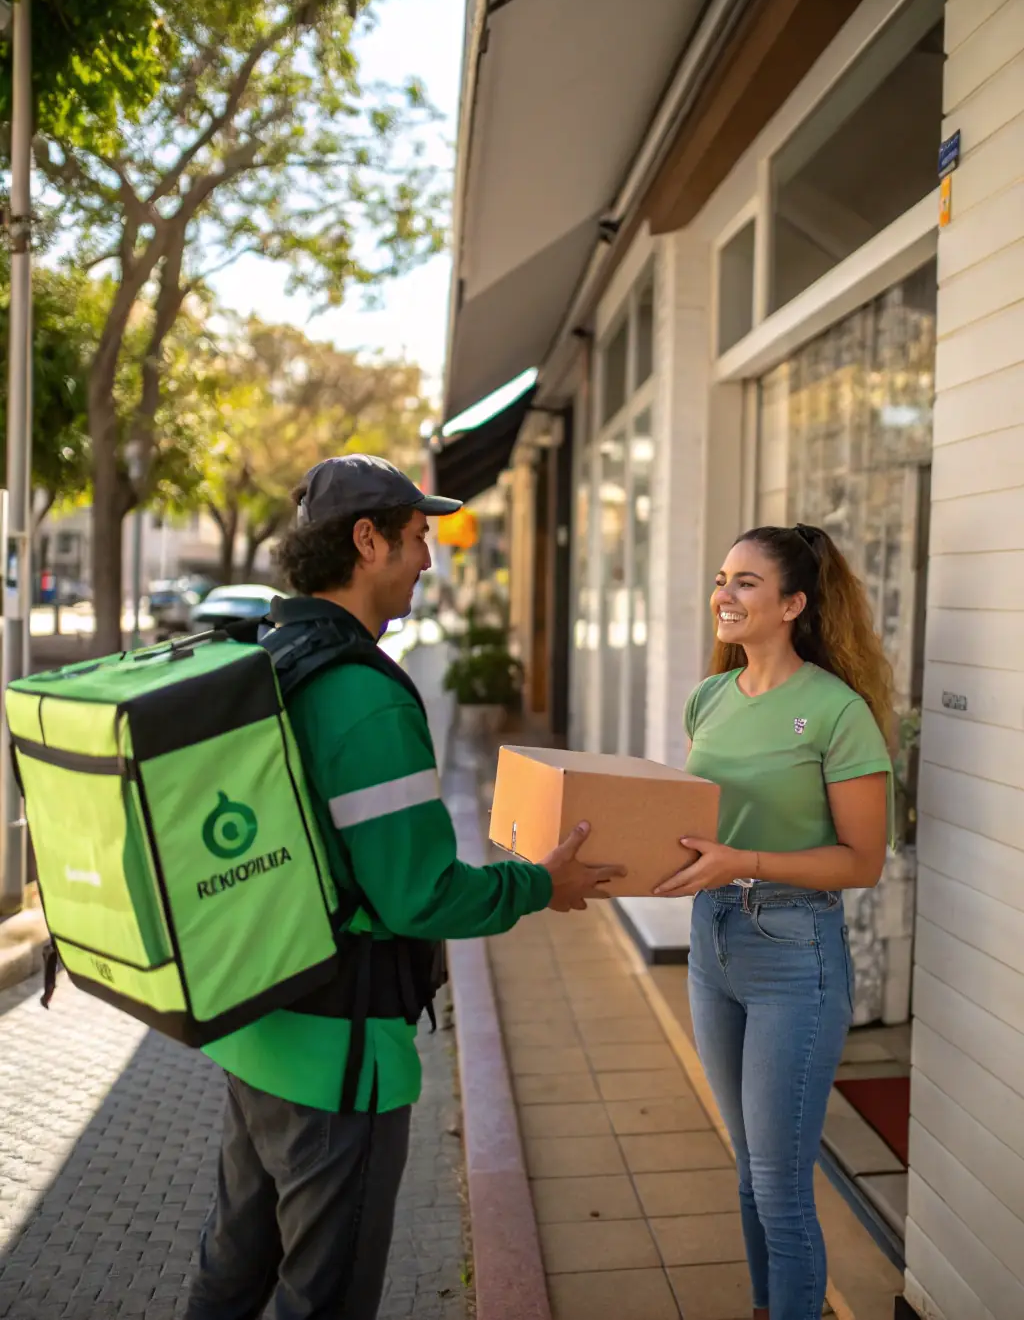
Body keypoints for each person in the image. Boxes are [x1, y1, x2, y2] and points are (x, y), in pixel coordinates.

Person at [185, 454, 621, 1320]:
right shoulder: (365, 698)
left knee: (229, 1275)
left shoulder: (273, 656)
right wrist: (540, 884)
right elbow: (418, 895)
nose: (428, 558)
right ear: (366, 539)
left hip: (256, 1027)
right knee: (326, 1298)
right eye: (419, 538)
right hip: (339, 1062)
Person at [653, 524, 892, 1320]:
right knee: (751, 1169)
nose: (724, 593)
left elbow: (862, 861)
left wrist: (742, 860)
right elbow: (702, 827)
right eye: (723, 577)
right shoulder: (709, 697)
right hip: (712, 941)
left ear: (793, 603)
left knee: (784, 1185)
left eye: (747, 582)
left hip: (795, 953)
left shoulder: (835, 711)